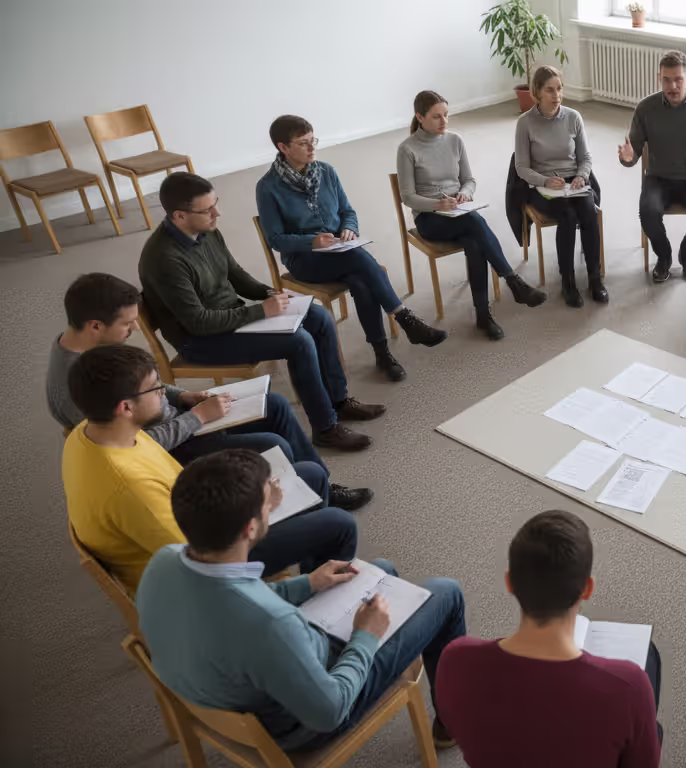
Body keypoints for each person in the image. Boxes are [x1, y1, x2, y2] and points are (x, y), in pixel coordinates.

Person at [136, 449, 466, 751]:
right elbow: (330, 711)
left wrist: (307, 583)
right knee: (446, 592)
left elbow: (240, 598)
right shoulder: (271, 624)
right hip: (300, 722)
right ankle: (454, 725)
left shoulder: (165, 560)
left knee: (378, 572)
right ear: (250, 529)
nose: (276, 502)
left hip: (233, 685)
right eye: (270, 503)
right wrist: (365, 637)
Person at [47, 273, 371, 510]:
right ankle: (305, 509)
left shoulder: (93, 348)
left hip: (182, 421)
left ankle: (320, 487)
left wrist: (180, 396)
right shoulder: (73, 387)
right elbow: (131, 450)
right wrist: (198, 419)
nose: (134, 330)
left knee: (274, 405)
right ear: (95, 326)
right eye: (126, 324)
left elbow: (141, 382)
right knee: (272, 443)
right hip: (171, 452)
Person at [62, 346, 357, 590]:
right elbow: (206, 565)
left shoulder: (89, 433)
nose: (164, 394)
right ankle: (311, 601)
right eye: (155, 389)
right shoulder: (132, 490)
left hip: (199, 518)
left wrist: (244, 491)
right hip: (201, 565)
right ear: (125, 407)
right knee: (339, 524)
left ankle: (315, 575)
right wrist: (261, 510)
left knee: (312, 476)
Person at [139, 172, 383, 451]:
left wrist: (270, 294)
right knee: (299, 342)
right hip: (201, 341)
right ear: (179, 216)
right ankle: (325, 428)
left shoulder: (206, 231)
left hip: (232, 318)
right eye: (207, 210)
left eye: (215, 203)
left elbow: (236, 275)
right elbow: (198, 323)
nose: (217, 213)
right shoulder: (164, 259)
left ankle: (338, 401)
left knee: (317, 316)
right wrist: (262, 311)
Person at [436, 510, 661, 767]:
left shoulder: (455, 660)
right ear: (587, 589)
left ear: (509, 582)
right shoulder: (629, 687)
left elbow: (452, 720)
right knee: (649, 672)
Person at [257, 114, 446, 380]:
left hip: (340, 250)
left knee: (360, 280)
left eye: (313, 141)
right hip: (305, 260)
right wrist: (312, 241)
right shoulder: (268, 188)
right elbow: (275, 239)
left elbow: (347, 210)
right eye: (303, 143)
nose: (312, 148)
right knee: (360, 262)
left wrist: (349, 228)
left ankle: (381, 353)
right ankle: (404, 318)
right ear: (283, 148)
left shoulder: (326, 171)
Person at [397, 93, 546, 341]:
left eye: (446, 114)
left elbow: (469, 180)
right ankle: (513, 282)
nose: (444, 120)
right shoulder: (407, 149)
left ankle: (483, 315)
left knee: (474, 242)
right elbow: (408, 197)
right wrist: (438, 204)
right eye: (436, 116)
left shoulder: (455, 140)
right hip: (429, 218)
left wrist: (465, 194)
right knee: (475, 222)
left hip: (458, 211)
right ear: (420, 117)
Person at [617, 49, 686, 283]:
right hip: (659, 177)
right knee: (647, 211)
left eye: (678, 79)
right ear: (659, 78)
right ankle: (664, 257)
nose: (673, 86)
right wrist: (627, 158)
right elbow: (633, 153)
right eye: (666, 79)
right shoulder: (646, 108)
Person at [515, 66, 605, 309]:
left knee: (588, 208)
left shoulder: (573, 117)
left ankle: (595, 278)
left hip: (573, 182)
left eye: (559, 89)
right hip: (542, 186)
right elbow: (521, 167)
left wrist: (581, 176)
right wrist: (544, 181)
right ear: (537, 92)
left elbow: (585, 157)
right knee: (566, 215)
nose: (556, 95)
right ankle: (568, 282)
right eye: (549, 90)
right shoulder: (525, 123)